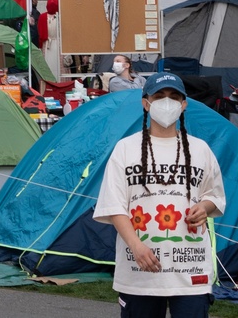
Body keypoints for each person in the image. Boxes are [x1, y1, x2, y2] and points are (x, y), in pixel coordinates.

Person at [92, 73, 225, 318]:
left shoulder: (200, 149)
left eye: (174, 97)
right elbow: (114, 204)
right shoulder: (126, 148)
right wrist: (136, 246)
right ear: (145, 102)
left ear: (184, 105)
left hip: (190, 267)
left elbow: (214, 196)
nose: (167, 102)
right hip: (139, 265)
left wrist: (204, 207)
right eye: (159, 96)